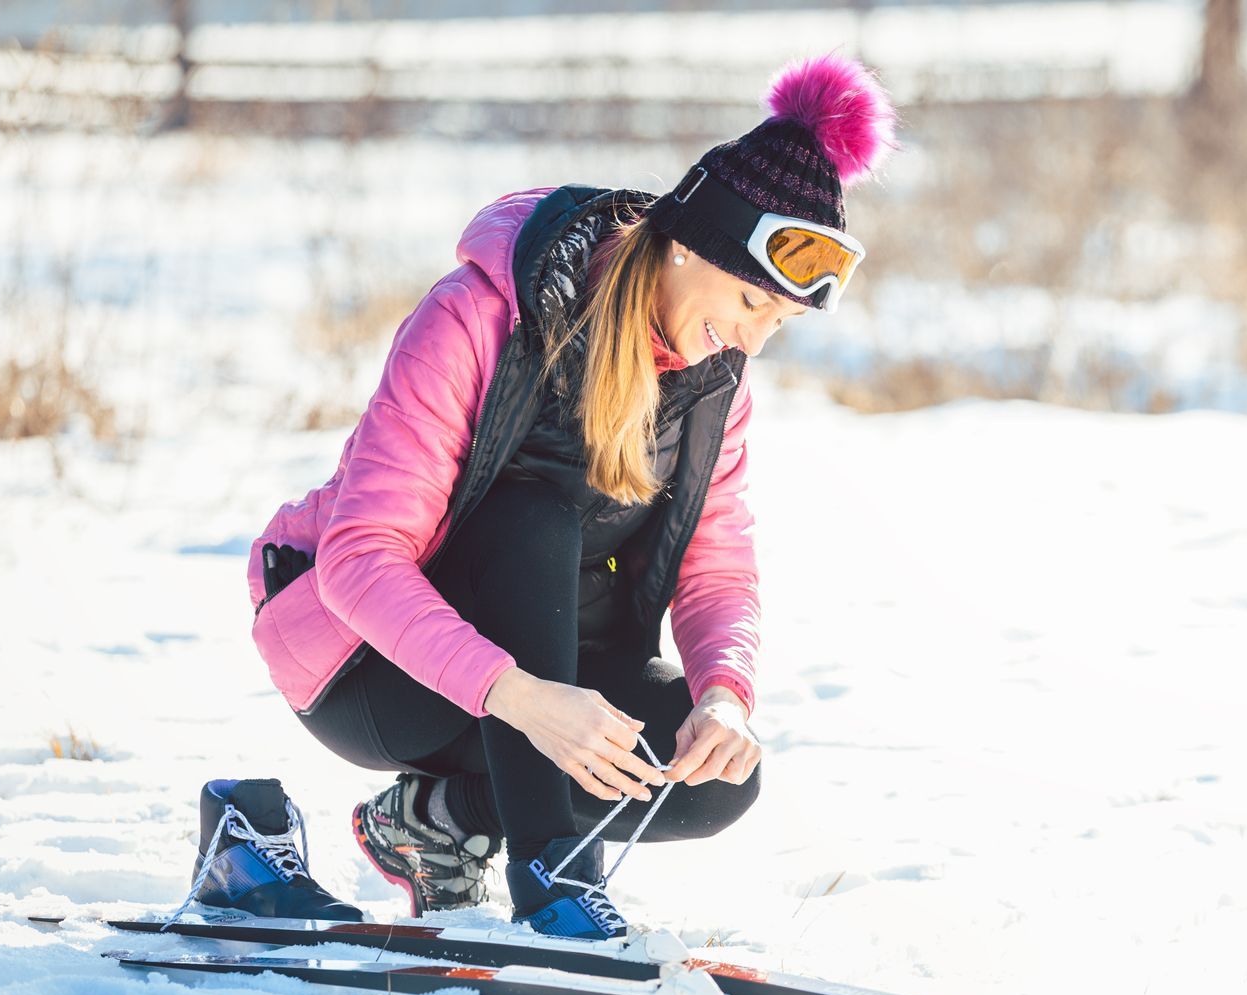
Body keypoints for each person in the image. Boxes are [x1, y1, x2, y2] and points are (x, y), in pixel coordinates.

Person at [240, 54, 898, 939]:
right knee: (535, 514)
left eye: (777, 322)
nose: (752, 338)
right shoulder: (482, 317)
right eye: (749, 300)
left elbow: (717, 570)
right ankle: (553, 870)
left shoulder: (716, 382)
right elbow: (359, 561)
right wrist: (522, 698)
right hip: (367, 665)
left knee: (714, 777)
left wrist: (722, 698)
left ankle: (434, 823)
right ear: (687, 241)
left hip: (539, 679)